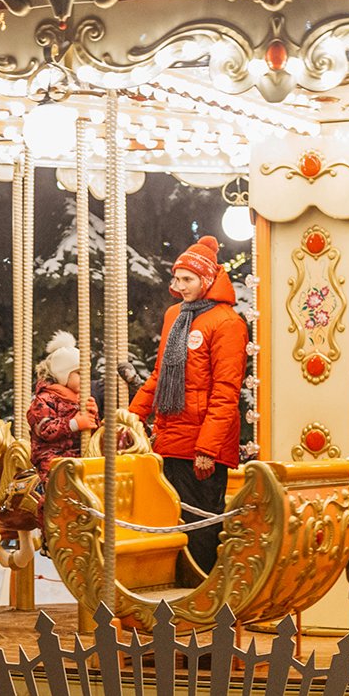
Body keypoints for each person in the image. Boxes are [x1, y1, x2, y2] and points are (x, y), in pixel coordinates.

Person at [128, 235, 248, 573]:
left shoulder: (227, 323)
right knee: (172, 522)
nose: (179, 286)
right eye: (176, 278)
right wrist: (131, 416)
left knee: (200, 527)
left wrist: (207, 448)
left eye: (187, 279)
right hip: (170, 438)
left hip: (202, 445)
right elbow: (159, 375)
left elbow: (226, 392)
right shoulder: (174, 316)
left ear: (207, 280)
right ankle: (177, 592)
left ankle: (204, 594)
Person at [28, 331, 101, 484]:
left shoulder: (81, 399)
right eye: (79, 373)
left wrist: (94, 416)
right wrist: (74, 424)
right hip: (51, 455)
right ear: (63, 375)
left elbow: (93, 432)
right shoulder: (45, 399)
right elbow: (45, 430)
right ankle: (47, 506)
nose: (85, 378)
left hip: (78, 454)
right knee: (56, 482)